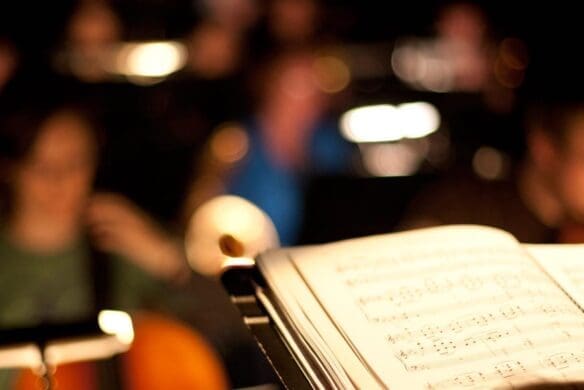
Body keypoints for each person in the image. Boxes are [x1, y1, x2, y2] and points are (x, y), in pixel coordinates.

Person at [183, 48, 354, 246]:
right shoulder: (233, 142)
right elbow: (199, 215)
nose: (309, 98)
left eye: (316, 88)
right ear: (270, 87)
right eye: (296, 86)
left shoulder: (330, 145)